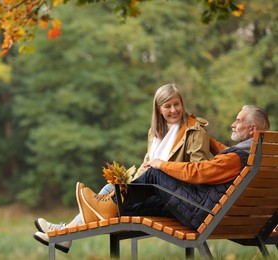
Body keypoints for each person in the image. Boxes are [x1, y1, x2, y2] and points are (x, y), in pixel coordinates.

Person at [33, 83, 211, 253]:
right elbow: (146, 165)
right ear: (158, 109)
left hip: (176, 198)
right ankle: (66, 233)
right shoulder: (155, 132)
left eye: (176, 104)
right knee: (113, 189)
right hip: (152, 191)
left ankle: (65, 233)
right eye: (167, 106)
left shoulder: (194, 131)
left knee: (110, 204)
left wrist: (163, 167)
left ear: (182, 103)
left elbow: (198, 172)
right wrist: (128, 186)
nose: (173, 110)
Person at [79, 105, 270, 231]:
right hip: (223, 217)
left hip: (202, 214)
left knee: (154, 174)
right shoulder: (261, 156)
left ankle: (106, 205)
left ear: (253, 129)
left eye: (238, 120)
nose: (233, 124)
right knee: (137, 207)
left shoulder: (237, 159)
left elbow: (199, 172)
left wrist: (161, 164)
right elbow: (226, 153)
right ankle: (106, 208)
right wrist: (198, 134)